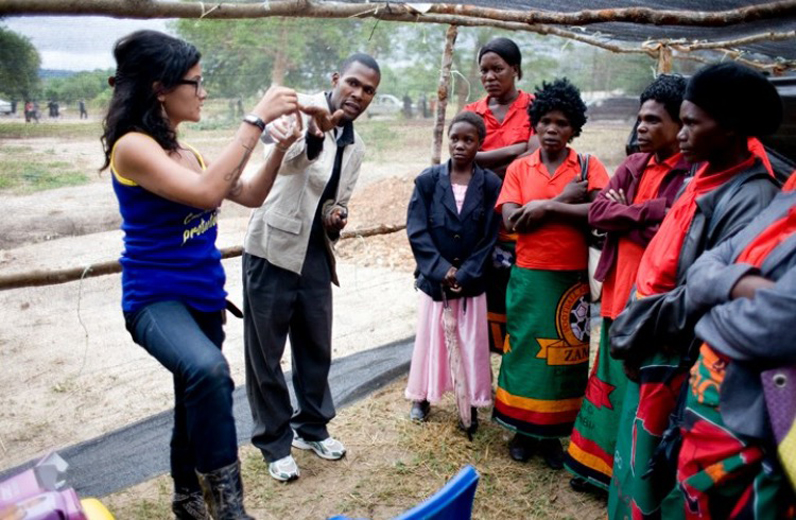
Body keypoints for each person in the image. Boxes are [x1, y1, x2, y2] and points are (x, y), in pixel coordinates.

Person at [102, 29, 305, 519]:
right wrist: (255, 120)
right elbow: (206, 196)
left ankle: (187, 498)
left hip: (203, 299)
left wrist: (277, 147)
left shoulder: (186, 153)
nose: (204, 92)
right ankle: (229, 511)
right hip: (155, 301)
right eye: (195, 82)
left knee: (192, 396)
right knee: (210, 374)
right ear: (160, 88)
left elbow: (249, 194)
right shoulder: (132, 148)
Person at [607, 62, 782, 520]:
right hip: (653, 339)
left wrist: (641, 323)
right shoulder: (699, 174)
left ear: (729, 129)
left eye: (690, 123)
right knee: (638, 452)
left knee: (663, 468)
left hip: (678, 352)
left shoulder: (752, 197)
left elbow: (708, 289)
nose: (679, 134)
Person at [242, 53, 381, 483]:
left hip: (315, 252)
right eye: (354, 83)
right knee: (266, 354)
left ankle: (312, 428)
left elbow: (338, 200)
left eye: (369, 90)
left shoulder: (356, 145)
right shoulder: (295, 111)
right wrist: (315, 135)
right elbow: (279, 163)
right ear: (336, 78)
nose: (359, 94)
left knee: (315, 346)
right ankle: (275, 444)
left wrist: (336, 216)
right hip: (272, 249)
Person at [564, 74, 691, 494]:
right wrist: (645, 214)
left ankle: (624, 474)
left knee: (639, 389)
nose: (640, 128)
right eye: (639, 119)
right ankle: (593, 469)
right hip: (619, 291)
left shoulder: (691, 173)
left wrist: (630, 214)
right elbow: (599, 213)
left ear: (680, 124)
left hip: (655, 301)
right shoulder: (636, 164)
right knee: (609, 383)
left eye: (653, 120)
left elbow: (675, 226)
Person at [493, 78, 609, 469]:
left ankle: (554, 434)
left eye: (561, 122)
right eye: (544, 121)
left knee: (566, 359)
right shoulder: (518, 168)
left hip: (571, 280)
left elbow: (600, 214)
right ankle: (522, 431)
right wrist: (560, 202)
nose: (552, 129)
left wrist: (544, 209)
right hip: (529, 276)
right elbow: (513, 220)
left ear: (574, 127)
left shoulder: (590, 166)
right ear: (535, 124)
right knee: (524, 352)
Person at [673, 182, 796, 519]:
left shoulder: (757, 191)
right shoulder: (788, 193)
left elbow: (779, 325)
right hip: (710, 410)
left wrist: (709, 311)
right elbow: (700, 267)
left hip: (764, 418)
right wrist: (742, 286)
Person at [404, 111, 502, 428]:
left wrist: (466, 272)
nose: (460, 145)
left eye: (468, 140)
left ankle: (470, 399)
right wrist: (441, 269)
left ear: (479, 144)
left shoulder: (489, 184)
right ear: (448, 140)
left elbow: (490, 235)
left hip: (472, 283)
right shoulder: (429, 181)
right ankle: (422, 395)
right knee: (430, 338)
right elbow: (417, 230)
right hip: (436, 282)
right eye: (455, 138)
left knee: (471, 340)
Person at [462, 37, 540, 357]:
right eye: (483, 71)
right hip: (481, 214)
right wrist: (516, 151)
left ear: (515, 70)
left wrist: (485, 157)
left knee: (520, 287)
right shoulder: (473, 111)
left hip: (520, 212)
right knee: (483, 287)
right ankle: (479, 362)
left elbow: (536, 155)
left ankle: (518, 357)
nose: (489, 77)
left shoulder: (535, 107)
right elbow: (463, 157)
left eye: (498, 69)